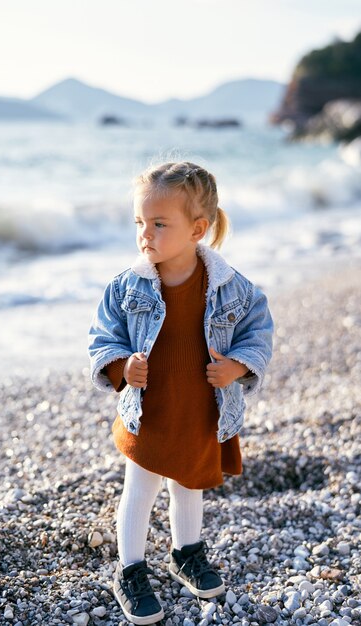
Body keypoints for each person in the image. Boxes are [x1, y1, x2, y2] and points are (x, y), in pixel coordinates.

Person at [88, 161, 273, 625]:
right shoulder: (127, 286)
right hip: (149, 413)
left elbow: (259, 332)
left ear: (197, 229)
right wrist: (120, 365)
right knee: (141, 489)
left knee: (190, 484)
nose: (145, 234)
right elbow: (103, 337)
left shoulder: (232, 287)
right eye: (139, 223)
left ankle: (186, 552)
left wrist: (238, 366)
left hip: (200, 411)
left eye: (159, 224)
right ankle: (130, 569)